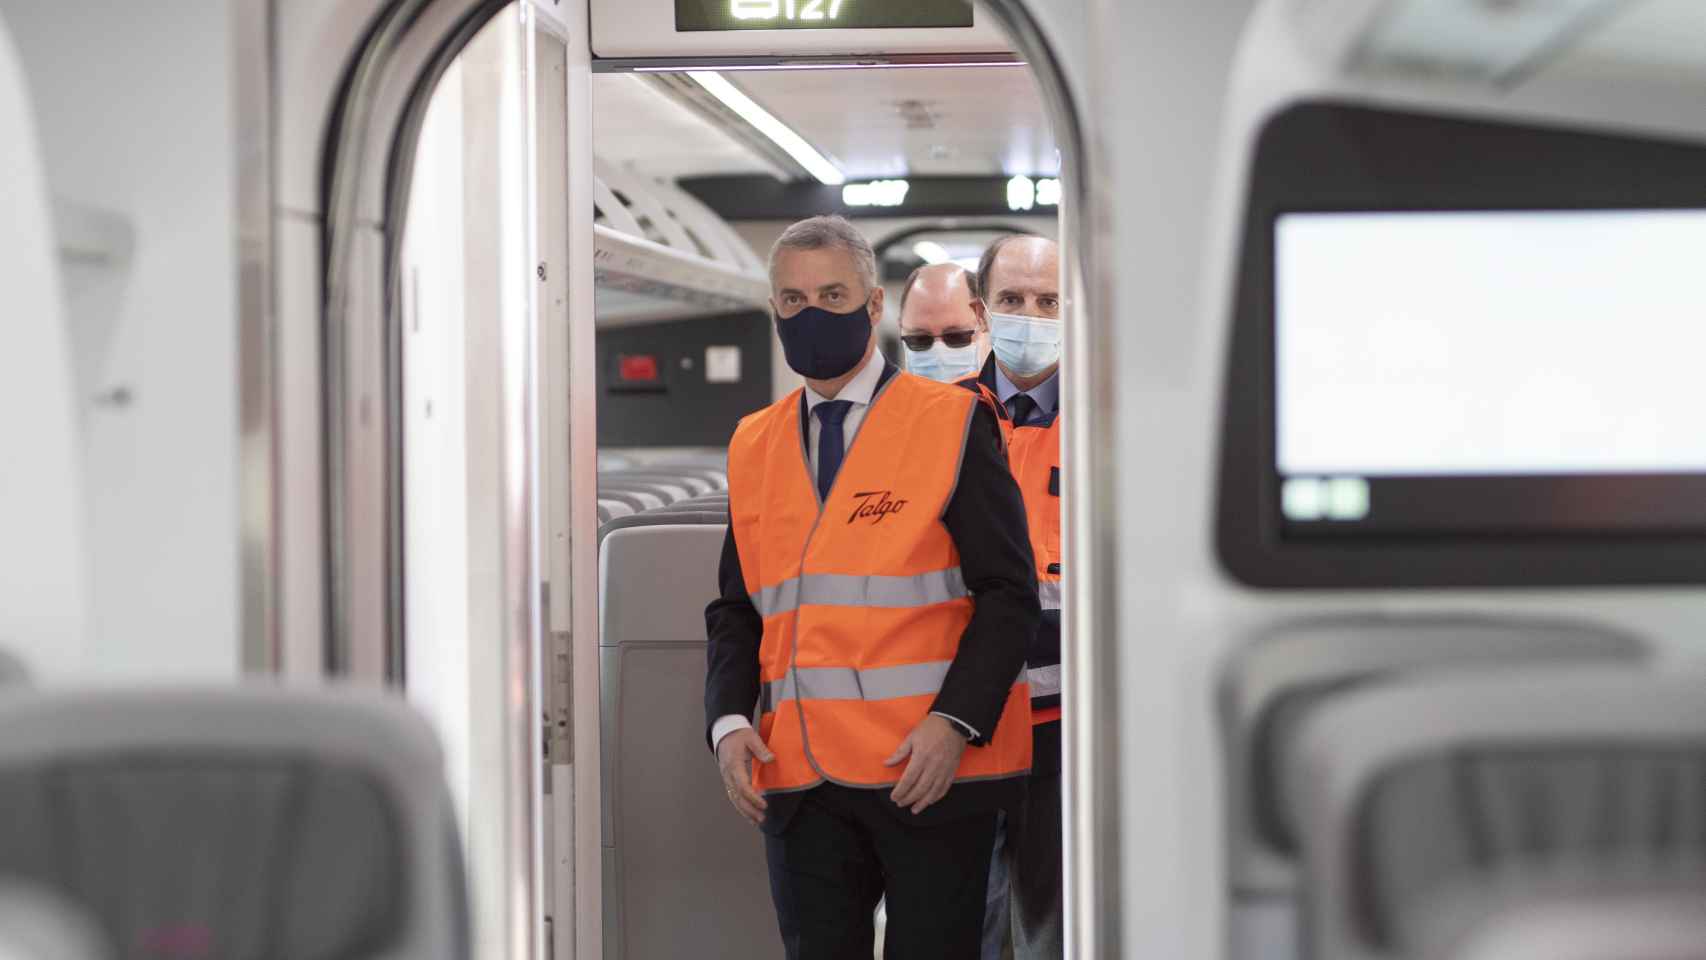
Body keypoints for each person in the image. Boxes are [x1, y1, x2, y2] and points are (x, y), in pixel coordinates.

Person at [704, 215, 1040, 960]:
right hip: (799, 781)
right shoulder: (753, 442)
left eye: (831, 293)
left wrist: (956, 722)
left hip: (927, 773)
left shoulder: (952, 421)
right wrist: (727, 723)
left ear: (873, 305)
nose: (811, 312)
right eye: (791, 300)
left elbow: (1008, 593)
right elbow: (737, 608)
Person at [964, 234, 1065, 960]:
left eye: (1048, 301)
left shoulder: (1112, 422)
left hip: (1069, 725)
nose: (1030, 316)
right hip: (960, 719)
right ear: (983, 309)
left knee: (1054, 927)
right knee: (967, 920)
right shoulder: (934, 421)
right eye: (1012, 300)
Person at [896, 262, 988, 383]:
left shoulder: (1012, 399)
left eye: (956, 337)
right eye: (920, 339)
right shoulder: (884, 401)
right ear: (901, 329)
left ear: (986, 324)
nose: (938, 354)